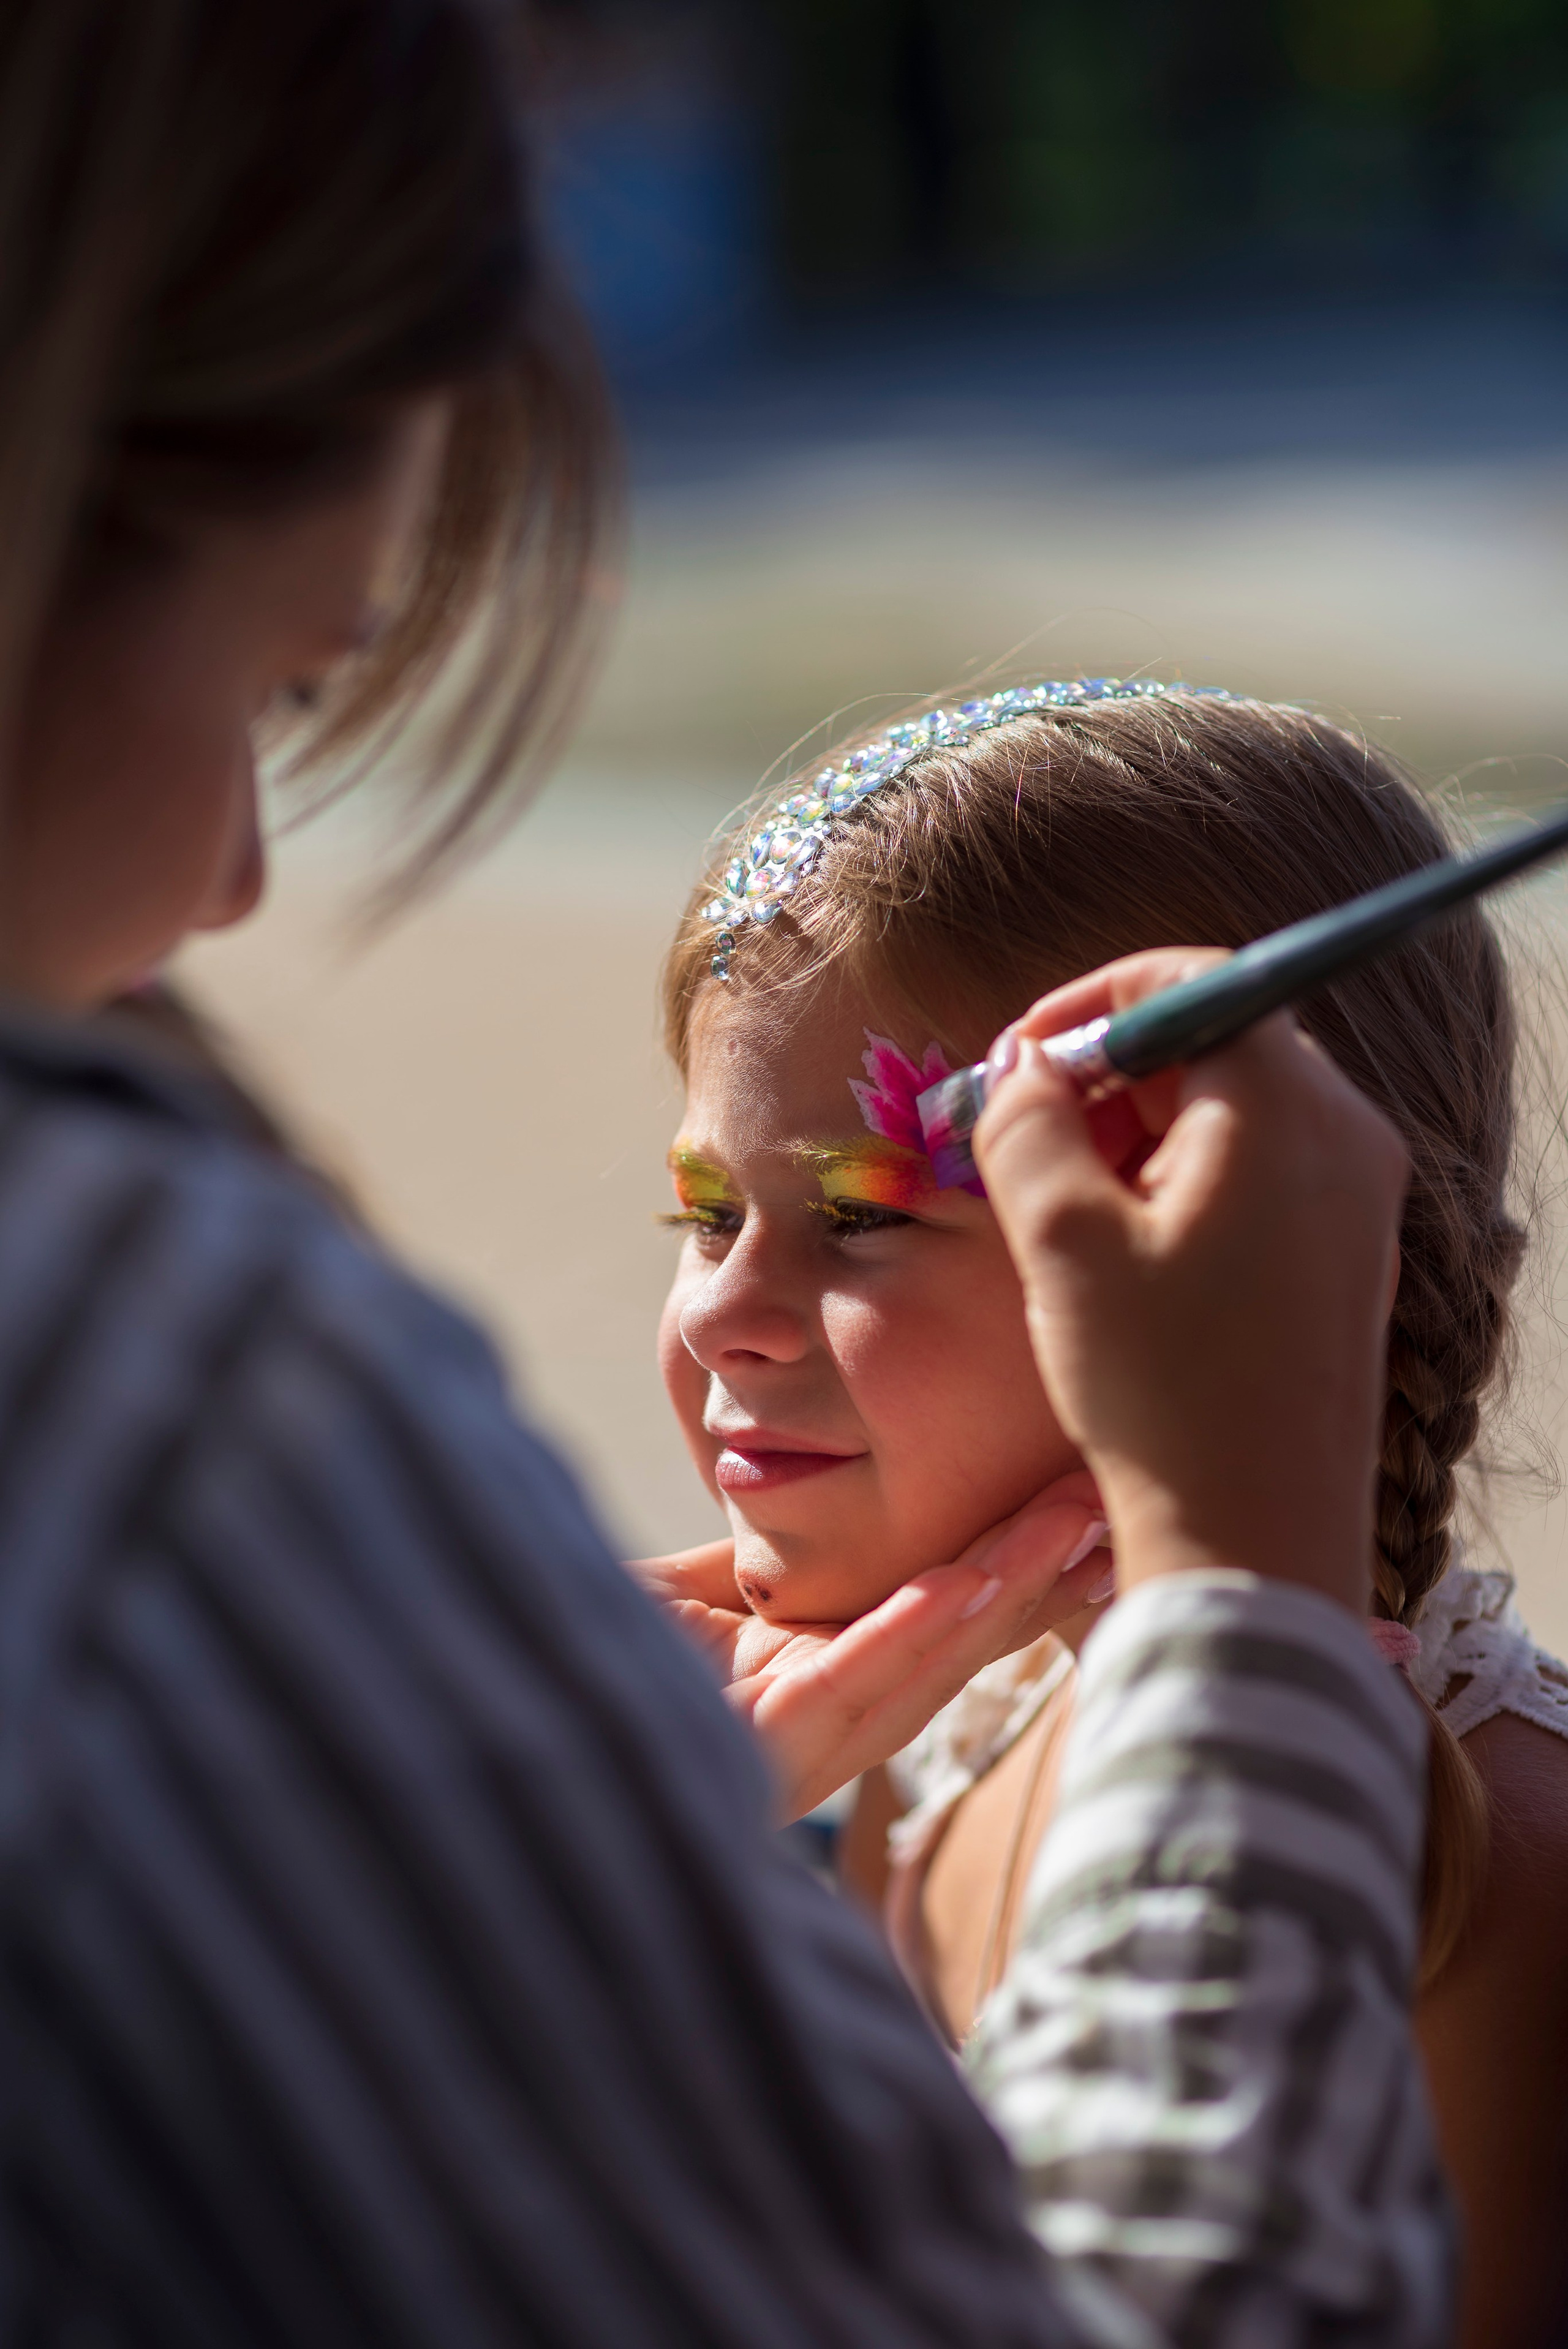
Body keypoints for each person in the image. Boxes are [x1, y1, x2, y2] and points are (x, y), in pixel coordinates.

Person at [0, 2, 1443, 2339]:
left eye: (870, 1208)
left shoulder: (1477, 1831)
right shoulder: (152, 1376)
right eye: (281, 683)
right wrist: (1235, 1584)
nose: (234, 887)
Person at [654, 679, 1568, 2345]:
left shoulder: (1504, 1862)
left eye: (858, 1215)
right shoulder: (946, 1739)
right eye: (704, 1210)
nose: (726, 1312)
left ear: (1246, 1243)